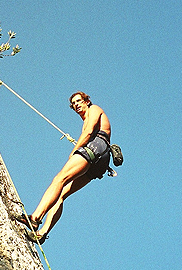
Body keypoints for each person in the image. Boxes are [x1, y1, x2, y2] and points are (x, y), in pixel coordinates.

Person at [16, 92, 111, 244]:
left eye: (79, 101)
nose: (76, 105)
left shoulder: (94, 109)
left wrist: (74, 151)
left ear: (86, 101)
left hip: (96, 147)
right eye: (74, 104)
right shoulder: (86, 118)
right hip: (101, 160)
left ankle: (35, 218)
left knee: (59, 179)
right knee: (61, 195)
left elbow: (88, 132)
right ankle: (42, 233)